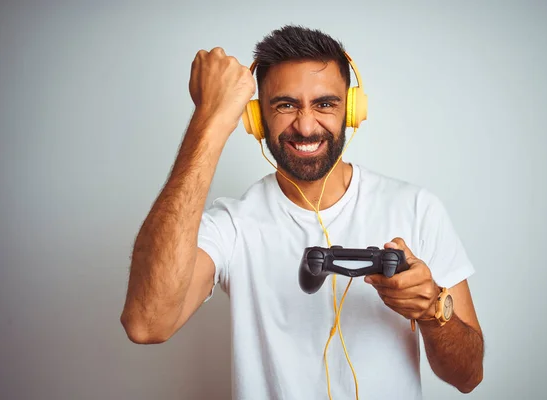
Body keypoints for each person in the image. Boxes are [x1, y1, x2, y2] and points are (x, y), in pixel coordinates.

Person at [120, 25, 484, 400]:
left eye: (325, 103)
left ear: (353, 110)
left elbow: (469, 376)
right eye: (285, 105)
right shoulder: (233, 225)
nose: (306, 125)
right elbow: (147, 324)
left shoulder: (417, 208)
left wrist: (434, 311)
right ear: (256, 119)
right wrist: (209, 120)